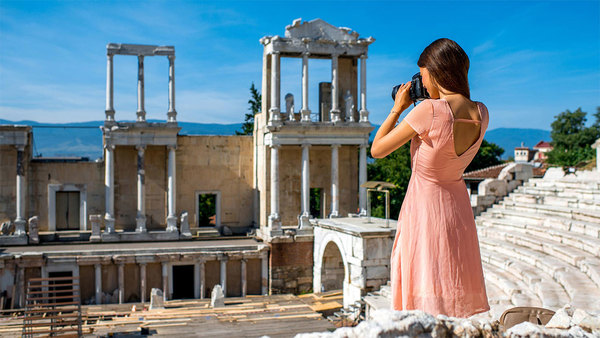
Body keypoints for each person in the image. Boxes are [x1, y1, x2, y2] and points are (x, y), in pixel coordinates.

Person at [370, 38, 491, 318]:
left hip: (425, 206)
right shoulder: (482, 112)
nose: (422, 83)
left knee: (426, 275)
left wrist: (398, 108)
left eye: (423, 74)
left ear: (436, 71)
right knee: (451, 275)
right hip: (457, 206)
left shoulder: (429, 111)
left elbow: (377, 149)